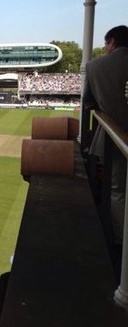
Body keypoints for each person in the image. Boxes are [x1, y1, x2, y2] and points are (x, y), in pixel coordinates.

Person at [84, 25, 128, 244]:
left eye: (105, 43)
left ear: (112, 42)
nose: (104, 48)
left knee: (117, 190)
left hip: (117, 138)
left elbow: (88, 102)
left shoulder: (95, 66)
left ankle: (121, 245)